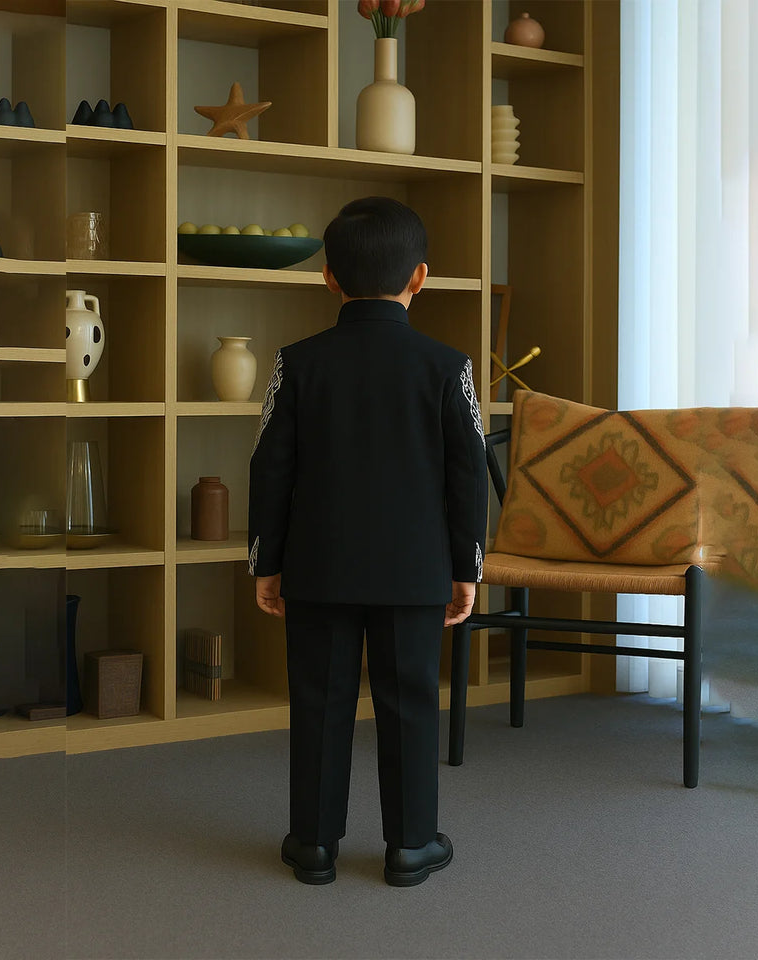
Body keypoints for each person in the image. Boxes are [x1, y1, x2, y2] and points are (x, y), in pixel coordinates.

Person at [247, 196, 488, 887]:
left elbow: (270, 465)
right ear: (420, 277)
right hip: (416, 573)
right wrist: (465, 565)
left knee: (319, 700)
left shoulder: (298, 363)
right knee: (409, 700)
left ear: (328, 277)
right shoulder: (449, 367)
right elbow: (467, 473)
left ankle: (313, 845)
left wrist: (269, 560)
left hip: (318, 568)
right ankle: (411, 845)